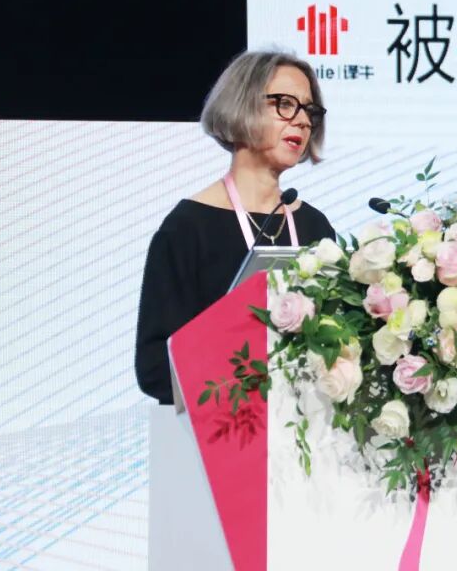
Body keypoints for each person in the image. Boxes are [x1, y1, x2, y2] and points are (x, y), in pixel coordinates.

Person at [135, 50, 336, 404]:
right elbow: (155, 367)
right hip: (220, 428)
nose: (303, 121)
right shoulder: (187, 229)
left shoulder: (314, 226)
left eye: (309, 110)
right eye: (285, 104)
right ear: (243, 105)